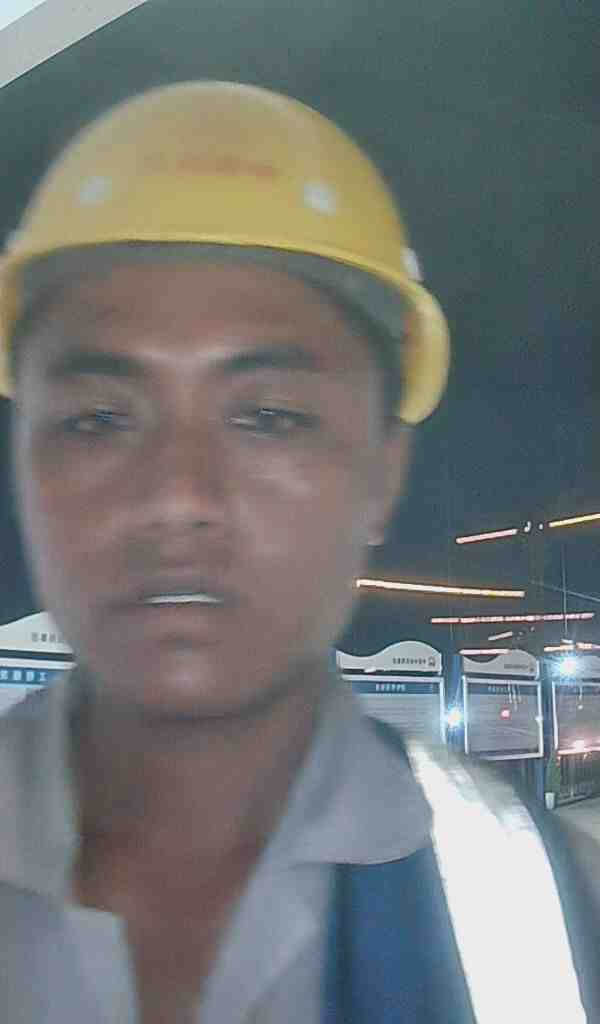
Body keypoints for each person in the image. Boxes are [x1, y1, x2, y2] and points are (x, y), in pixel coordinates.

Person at [0, 81, 592, 1023]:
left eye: (269, 416)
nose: (178, 497)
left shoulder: (529, 901)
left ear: (384, 472)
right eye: (100, 417)